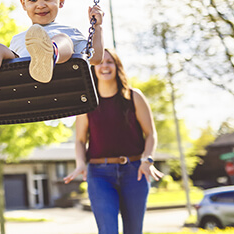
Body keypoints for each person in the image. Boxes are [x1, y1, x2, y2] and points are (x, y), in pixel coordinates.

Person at [63, 48, 165, 234]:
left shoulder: (134, 97)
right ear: (92, 68)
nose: (105, 66)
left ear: (117, 66)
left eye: (109, 61)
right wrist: (80, 164)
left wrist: (147, 159)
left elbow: (150, 134)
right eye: (100, 62)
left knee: (133, 231)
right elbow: (79, 140)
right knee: (108, 231)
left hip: (135, 172)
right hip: (100, 175)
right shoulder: (87, 102)